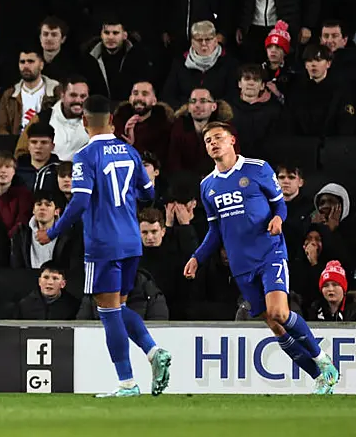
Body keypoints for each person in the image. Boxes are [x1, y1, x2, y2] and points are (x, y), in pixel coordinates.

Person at [184, 121, 340, 394]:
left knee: (280, 311)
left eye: (218, 137)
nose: (213, 143)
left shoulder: (257, 169)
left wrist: (279, 218)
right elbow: (214, 229)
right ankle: (320, 378)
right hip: (241, 264)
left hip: (269, 252)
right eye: (208, 140)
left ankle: (321, 359)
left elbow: (279, 204)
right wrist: (197, 257)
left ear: (232, 140)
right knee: (274, 325)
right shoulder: (207, 185)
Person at [38, 95, 171, 397]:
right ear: (112, 121)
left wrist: (54, 230)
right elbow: (149, 193)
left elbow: (80, 200)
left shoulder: (85, 157)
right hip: (131, 241)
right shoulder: (130, 151)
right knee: (118, 306)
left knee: (107, 312)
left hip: (103, 243)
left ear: (84, 121)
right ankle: (153, 353)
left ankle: (127, 383)